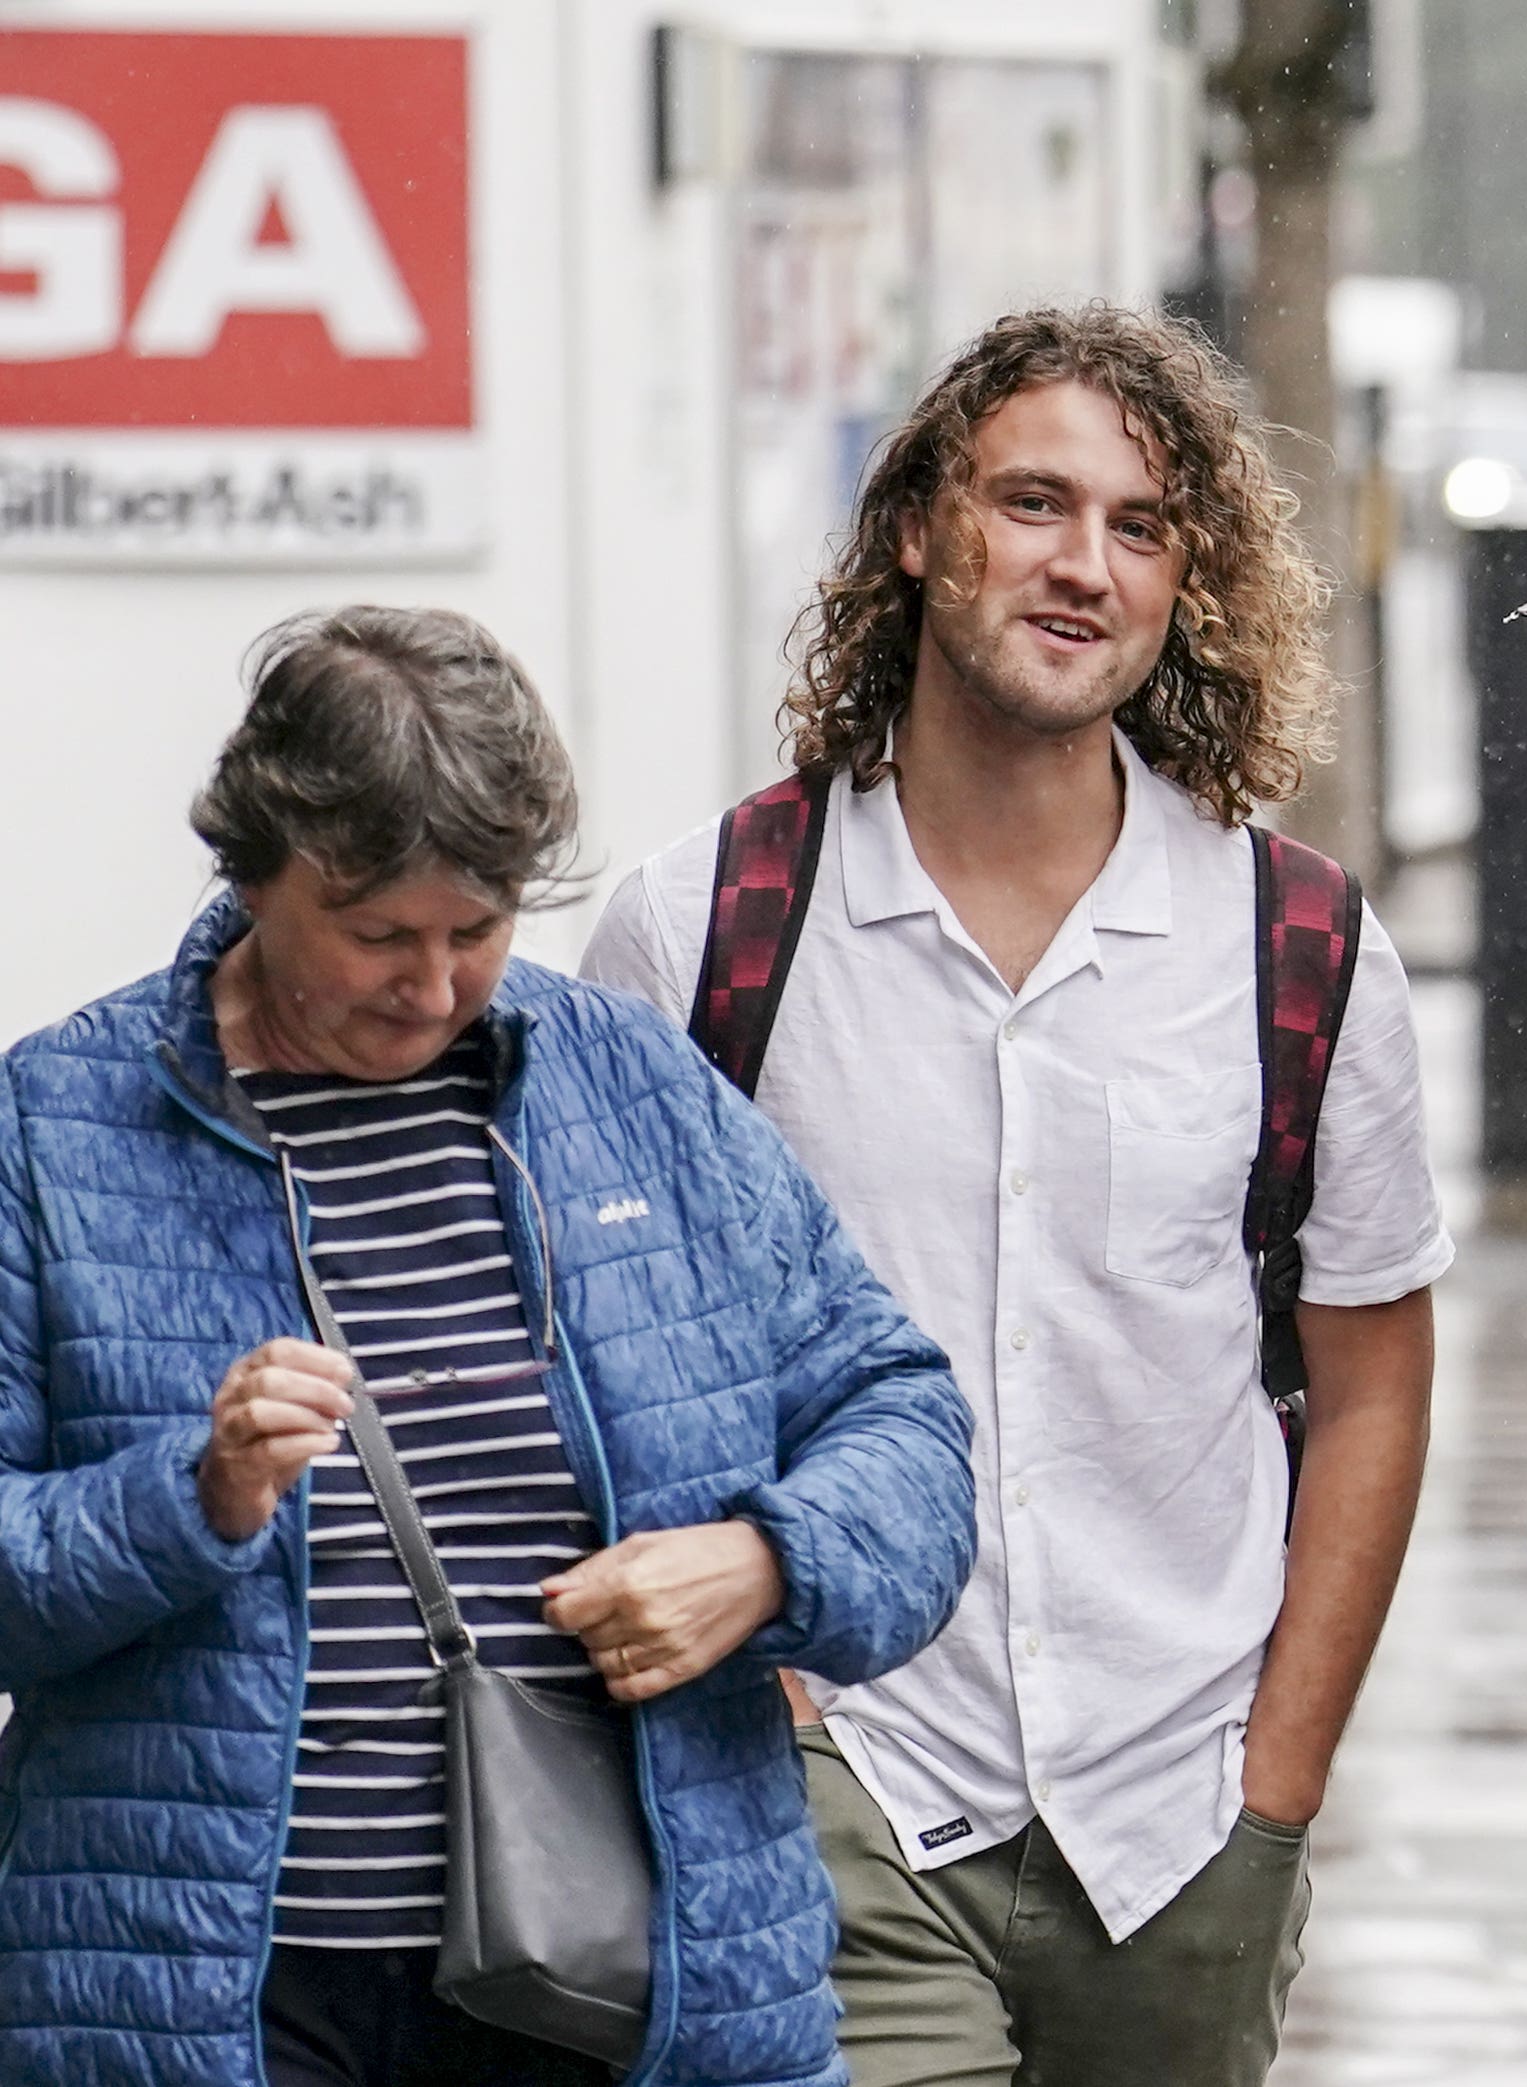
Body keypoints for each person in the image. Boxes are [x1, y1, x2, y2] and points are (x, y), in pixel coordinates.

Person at [583, 302, 1451, 2087]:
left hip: (1181, 1815)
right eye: (1033, 505)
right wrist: (776, 1708)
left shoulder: (1296, 945)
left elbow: (1370, 1381)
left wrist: (1276, 1785)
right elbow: (596, 1364)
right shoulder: (707, 931)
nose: (1084, 568)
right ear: (918, 529)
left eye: (1140, 529)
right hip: (837, 1780)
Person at [0, 606, 978, 2087]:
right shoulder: (56, 1126)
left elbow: (901, 1415)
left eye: (480, 927)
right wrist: (188, 1499)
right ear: (257, 873)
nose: (437, 984)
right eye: (381, 932)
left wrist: (770, 1563)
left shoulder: (632, 1087)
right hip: (217, 2002)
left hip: (625, 1982)